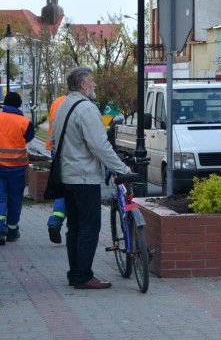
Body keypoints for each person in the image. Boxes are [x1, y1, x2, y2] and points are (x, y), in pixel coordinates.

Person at [51, 66, 131, 289]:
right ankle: (84, 276)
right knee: (89, 228)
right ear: (83, 84)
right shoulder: (86, 108)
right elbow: (99, 145)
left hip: (67, 176)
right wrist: (120, 168)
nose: (95, 85)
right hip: (84, 178)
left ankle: (75, 274)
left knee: (74, 228)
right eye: (92, 81)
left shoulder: (63, 105)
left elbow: (54, 141)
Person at [0, 92, 35, 245]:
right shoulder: (25, 122)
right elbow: (29, 138)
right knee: (15, 199)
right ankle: (12, 231)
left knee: (0, 198)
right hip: (17, 167)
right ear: (19, 105)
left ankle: (0, 230)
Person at [45, 93, 67, 244]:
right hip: (75, 154)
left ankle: (55, 220)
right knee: (75, 192)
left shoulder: (56, 102)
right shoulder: (83, 103)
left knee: (62, 187)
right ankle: (71, 232)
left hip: (56, 150)